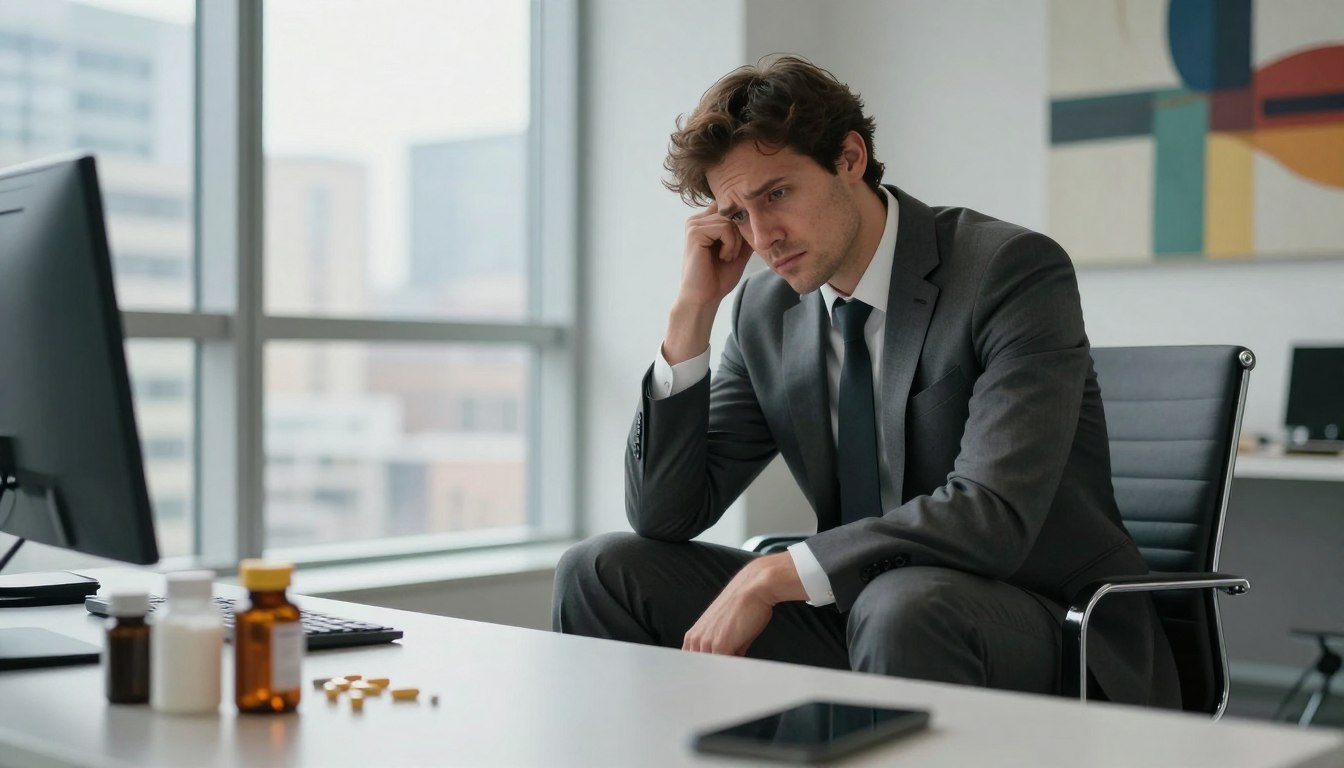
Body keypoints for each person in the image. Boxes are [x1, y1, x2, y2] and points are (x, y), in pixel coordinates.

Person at [553, 55, 1180, 708]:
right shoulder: (766, 312)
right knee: (601, 571)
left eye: (776, 194)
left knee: (899, 605)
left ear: (849, 157)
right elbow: (664, 514)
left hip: (1043, 619)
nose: (762, 236)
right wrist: (691, 317)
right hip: (863, 610)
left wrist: (777, 574)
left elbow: (992, 515)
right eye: (737, 214)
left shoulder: (1006, 271)